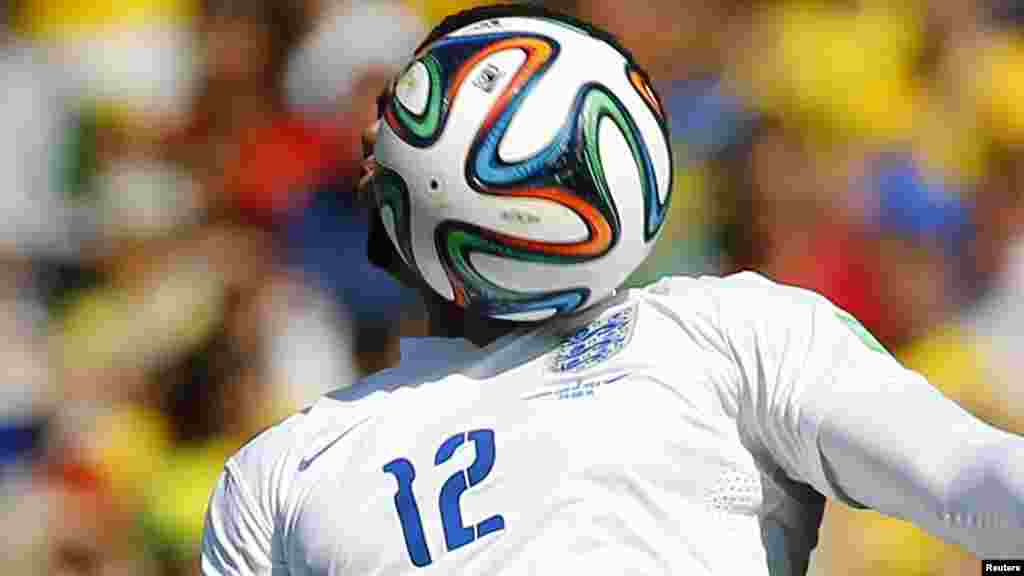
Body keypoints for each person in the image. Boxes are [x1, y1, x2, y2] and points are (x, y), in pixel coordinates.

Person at [201, 6, 1024, 575]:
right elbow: (986, 491)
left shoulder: (726, 335)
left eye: (398, 104)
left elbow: (984, 487)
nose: (364, 135)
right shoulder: (275, 476)